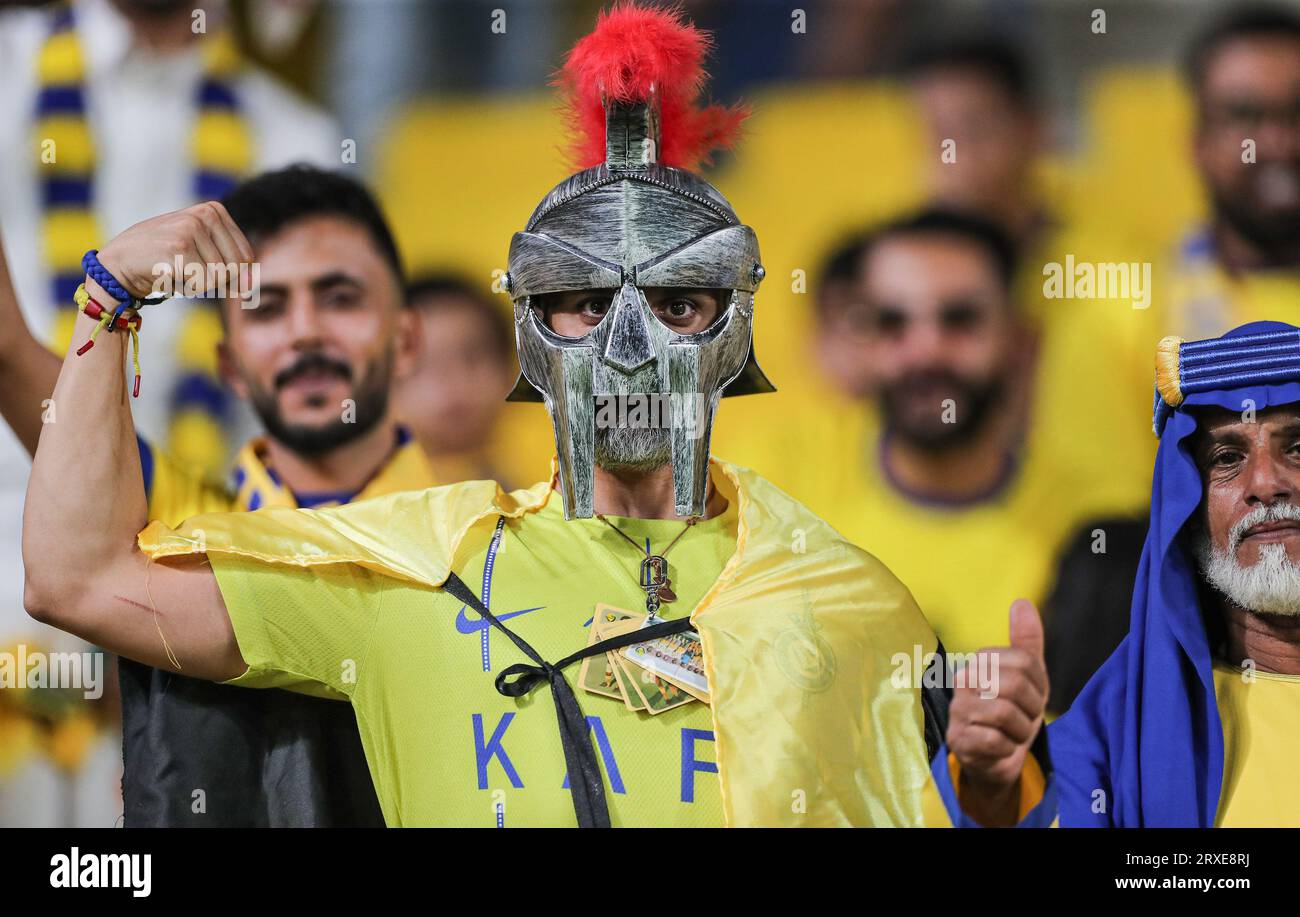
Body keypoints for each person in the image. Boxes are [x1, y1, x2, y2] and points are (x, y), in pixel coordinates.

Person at [22, 4, 946, 827]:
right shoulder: (417, 564)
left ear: (737, 329)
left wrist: (986, 783)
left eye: (675, 304)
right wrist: (107, 298)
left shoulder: (848, 602)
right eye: (583, 301)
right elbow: (78, 579)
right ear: (530, 333)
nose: (628, 345)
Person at [1, 164, 437, 826]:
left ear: (406, 340)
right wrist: (111, 289)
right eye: (266, 307)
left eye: (340, 296)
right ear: (229, 363)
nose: (305, 331)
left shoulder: (484, 532)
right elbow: (6, 350)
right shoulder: (169, 520)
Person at [937, 322, 1300, 827]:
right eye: (1227, 458)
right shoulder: (1114, 737)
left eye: (1299, 448)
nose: (1266, 483)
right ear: (1186, 513)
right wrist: (991, 790)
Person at [740, 209, 1146, 656]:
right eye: (893, 322)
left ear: (1021, 342)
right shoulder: (766, 488)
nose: (926, 350)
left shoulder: (1098, 533)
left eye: (960, 319)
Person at [394, 273, 526, 489]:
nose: (453, 380)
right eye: (423, 364)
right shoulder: (370, 504)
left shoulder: (543, 486)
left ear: (512, 373)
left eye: (472, 357)